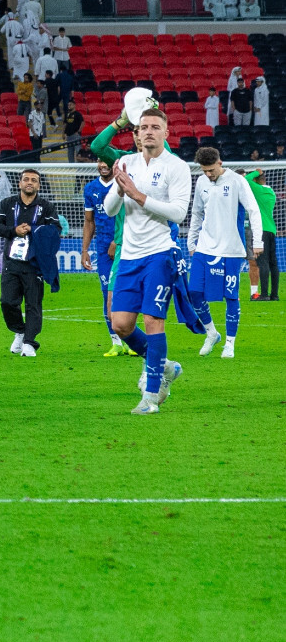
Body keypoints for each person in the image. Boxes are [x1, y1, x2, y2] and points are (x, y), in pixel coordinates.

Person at [102, 106, 191, 415]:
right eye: (144, 127)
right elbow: (110, 209)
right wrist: (118, 186)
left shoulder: (177, 167)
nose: (149, 131)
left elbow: (179, 212)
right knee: (121, 325)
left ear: (166, 133)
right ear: (136, 133)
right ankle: (165, 366)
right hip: (129, 256)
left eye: (156, 126)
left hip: (159, 254)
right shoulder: (126, 162)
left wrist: (138, 195)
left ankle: (151, 396)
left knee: (153, 321)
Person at [186, 147, 262, 359]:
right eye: (204, 171)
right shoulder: (201, 182)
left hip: (231, 248)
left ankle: (230, 343)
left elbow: (253, 210)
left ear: (220, 163)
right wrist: (191, 242)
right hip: (204, 246)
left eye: (211, 170)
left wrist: (257, 241)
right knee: (194, 292)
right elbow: (197, 213)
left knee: (231, 296)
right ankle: (211, 332)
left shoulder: (237, 181)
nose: (208, 175)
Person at [0, 169, 59, 356]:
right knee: (7, 302)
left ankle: (29, 342)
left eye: (34, 180)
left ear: (38, 185)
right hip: (11, 262)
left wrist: (34, 230)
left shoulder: (46, 207)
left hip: (34, 263)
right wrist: (13, 231)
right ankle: (19, 331)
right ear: (19, 183)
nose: (30, 183)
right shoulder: (7, 203)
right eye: (26, 179)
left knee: (33, 304)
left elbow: (56, 230)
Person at [81, 159, 128, 357]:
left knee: (129, 292)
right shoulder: (90, 188)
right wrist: (85, 250)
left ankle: (131, 338)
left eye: (106, 161)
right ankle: (116, 342)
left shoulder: (124, 183)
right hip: (102, 249)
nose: (102, 165)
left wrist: (117, 240)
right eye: (100, 161)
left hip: (127, 244)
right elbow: (89, 222)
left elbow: (131, 216)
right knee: (106, 293)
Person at [245, 169, 278, 300]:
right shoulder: (271, 193)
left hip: (261, 230)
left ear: (256, 181)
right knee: (273, 263)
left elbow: (246, 180)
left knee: (262, 262)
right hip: (272, 230)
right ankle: (274, 295)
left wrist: (255, 172)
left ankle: (264, 294)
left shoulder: (257, 190)